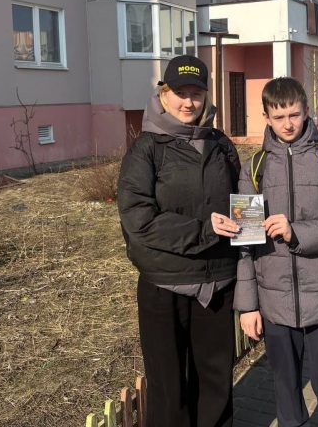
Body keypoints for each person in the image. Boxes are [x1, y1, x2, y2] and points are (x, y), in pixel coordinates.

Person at [232, 77, 318, 427]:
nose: (288, 124)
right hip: (274, 302)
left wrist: (297, 232)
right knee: (286, 393)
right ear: (266, 117)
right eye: (279, 117)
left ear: (307, 111)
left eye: (294, 114)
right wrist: (248, 306)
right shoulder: (253, 169)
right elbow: (245, 244)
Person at [117, 54, 242, 427]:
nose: (189, 102)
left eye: (197, 94)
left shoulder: (220, 144)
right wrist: (204, 231)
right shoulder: (146, 149)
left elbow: (242, 200)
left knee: (216, 381)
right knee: (168, 388)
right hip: (164, 285)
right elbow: (138, 220)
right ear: (164, 94)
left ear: (206, 97)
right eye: (181, 93)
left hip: (217, 282)